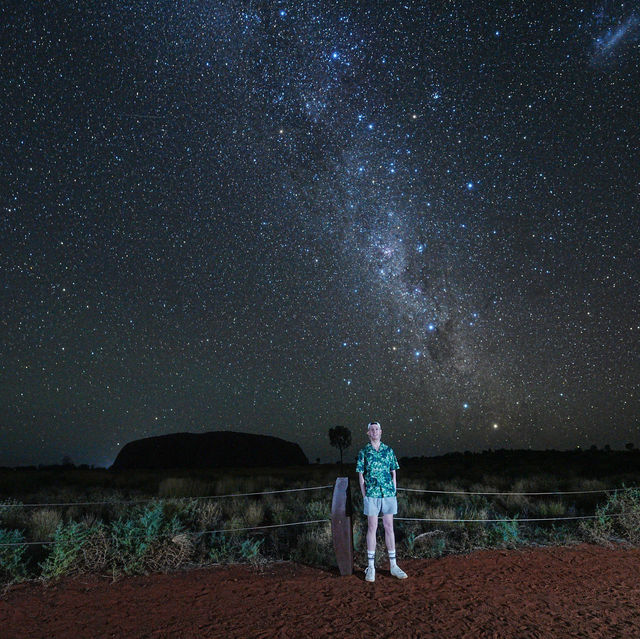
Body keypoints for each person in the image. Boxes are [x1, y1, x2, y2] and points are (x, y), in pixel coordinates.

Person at [356, 421, 408, 582]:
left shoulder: (388, 450)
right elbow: (361, 475)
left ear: (381, 432)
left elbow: (393, 472)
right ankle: (370, 567)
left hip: (388, 494)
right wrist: (365, 495)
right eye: (371, 429)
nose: (374, 431)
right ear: (368, 433)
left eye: (377, 429)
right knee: (372, 527)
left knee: (389, 527)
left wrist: (393, 489)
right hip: (372, 494)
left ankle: (393, 565)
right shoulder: (364, 451)